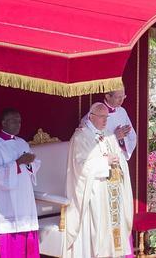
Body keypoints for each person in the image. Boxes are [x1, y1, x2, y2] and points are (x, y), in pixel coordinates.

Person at [63, 102, 134, 258]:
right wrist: (105, 162)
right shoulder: (81, 136)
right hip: (94, 191)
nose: (105, 120)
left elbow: (119, 156)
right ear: (91, 116)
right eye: (101, 117)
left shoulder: (108, 134)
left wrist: (117, 160)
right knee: (99, 228)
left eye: (106, 117)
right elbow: (80, 166)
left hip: (111, 190)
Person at [0, 108, 41, 258]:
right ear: (4, 123)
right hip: (5, 200)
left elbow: (33, 164)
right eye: (14, 121)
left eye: (19, 121)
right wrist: (18, 162)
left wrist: (29, 163)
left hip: (24, 197)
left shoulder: (22, 143)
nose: (18, 124)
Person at [105, 89, 137, 160]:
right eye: (118, 97)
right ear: (108, 96)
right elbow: (92, 139)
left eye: (123, 97)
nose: (121, 100)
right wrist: (114, 136)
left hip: (120, 157)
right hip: (105, 159)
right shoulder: (97, 112)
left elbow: (132, 137)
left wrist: (121, 140)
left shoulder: (122, 111)